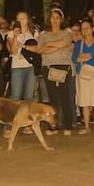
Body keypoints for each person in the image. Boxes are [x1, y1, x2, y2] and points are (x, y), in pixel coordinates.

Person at [26, 8, 74, 136]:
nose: (55, 20)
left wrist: (49, 45)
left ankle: (67, 125)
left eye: (57, 18)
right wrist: (55, 46)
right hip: (48, 67)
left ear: (61, 20)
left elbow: (64, 43)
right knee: (53, 99)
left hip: (64, 67)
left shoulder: (67, 33)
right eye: (52, 18)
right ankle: (54, 125)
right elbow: (40, 50)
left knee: (65, 97)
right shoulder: (44, 34)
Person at [72, 18, 94, 135]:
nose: (85, 30)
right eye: (83, 29)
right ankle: (86, 126)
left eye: (87, 28)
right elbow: (74, 58)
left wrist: (84, 56)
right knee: (84, 102)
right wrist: (88, 56)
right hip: (82, 74)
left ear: (93, 28)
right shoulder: (78, 44)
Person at [7, 11, 40, 102]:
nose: (21, 20)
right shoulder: (11, 33)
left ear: (28, 20)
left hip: (31, 66)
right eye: (18, 19)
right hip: (17, 67)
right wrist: (15, 36)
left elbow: (38, 49)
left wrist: (25, 46)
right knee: (16, 96)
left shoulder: (34, 33)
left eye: (23, 18)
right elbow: (13, 52)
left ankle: (27, 111)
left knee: (29, 96)